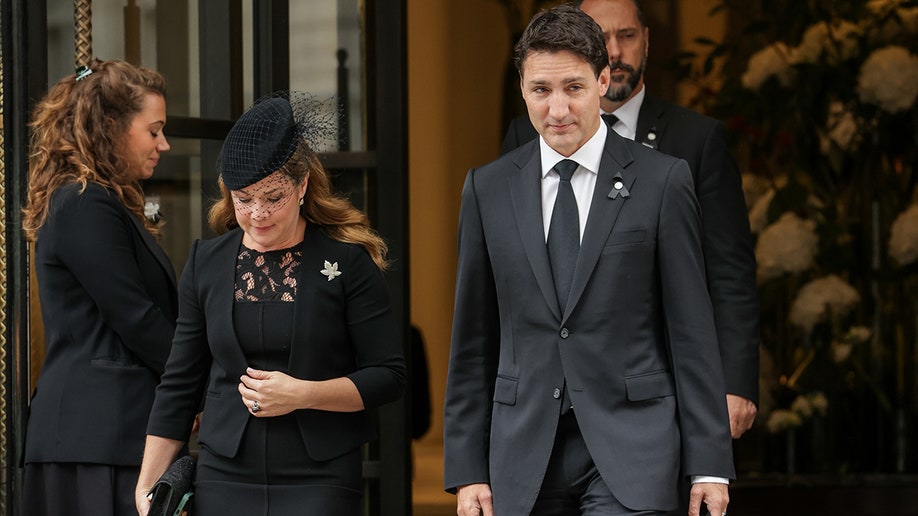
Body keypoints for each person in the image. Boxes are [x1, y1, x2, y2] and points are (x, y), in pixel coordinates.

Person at [444, 5, 733, 516]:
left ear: (602, 81)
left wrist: (709, 465)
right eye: (541, 90)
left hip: (633, 447)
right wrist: (467, 472)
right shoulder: (486, 189)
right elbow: (473, 339)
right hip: (523, 451)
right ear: (523, 89)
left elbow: (691, 331)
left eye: (573, 88)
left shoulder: (664, 181)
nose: (557, 109)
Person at [134, 92, 407, 515]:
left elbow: (389, 375)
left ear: (301, 187)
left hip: (321, 476)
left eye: (273, 197)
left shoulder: (348, 262)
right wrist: (149, 481)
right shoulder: (206, 263)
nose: (257, 213)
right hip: (224, 473)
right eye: (243, 199)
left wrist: (303, 394)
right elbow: (180, 382)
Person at [501, 0, 760, 440]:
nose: (615, 51)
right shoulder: (527, 136)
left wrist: (735, 382)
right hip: (553, 396)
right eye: (600, 38)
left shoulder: (696, 141)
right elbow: (510, 271)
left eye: (627, 36)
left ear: (646, 41)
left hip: (665, 390)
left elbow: (728, 271)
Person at [20, 59, 177, 516]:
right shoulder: (85, 203)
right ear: (112, 127)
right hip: (95, 441)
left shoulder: (94, 201)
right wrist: (201, 379)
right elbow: (136, 317)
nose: (163, 144)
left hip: (104, 435)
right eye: (154, 131)